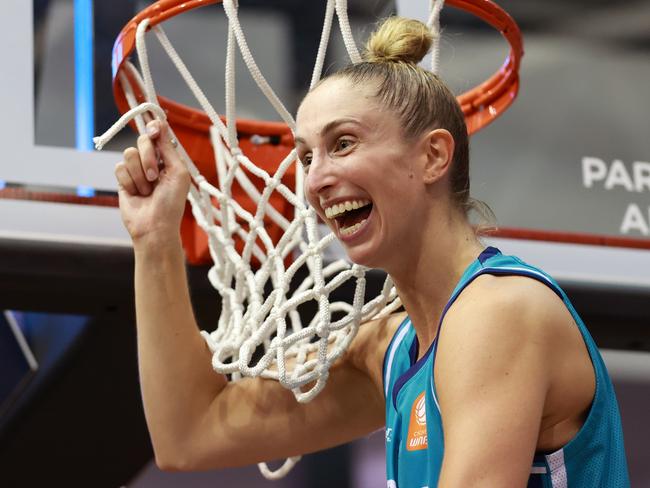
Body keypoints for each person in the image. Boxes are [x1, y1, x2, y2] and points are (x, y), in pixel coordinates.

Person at [114, 16, 630, 488]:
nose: (314, 178)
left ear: (433, 156)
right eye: (305, 155)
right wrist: (155, 239)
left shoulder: (499, 313)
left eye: (343, 143)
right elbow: (191, 435)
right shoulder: (392, 348)